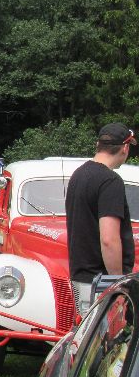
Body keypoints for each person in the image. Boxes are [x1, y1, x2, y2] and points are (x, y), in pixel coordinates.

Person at [66, 123, 136, 311]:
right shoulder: (110, 181)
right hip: (101, 282)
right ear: (125, 148)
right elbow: (109, 239)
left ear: (98, 145)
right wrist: (117, 284)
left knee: (84, 336)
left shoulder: (79, 174)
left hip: (81, 276)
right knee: (102, 339)